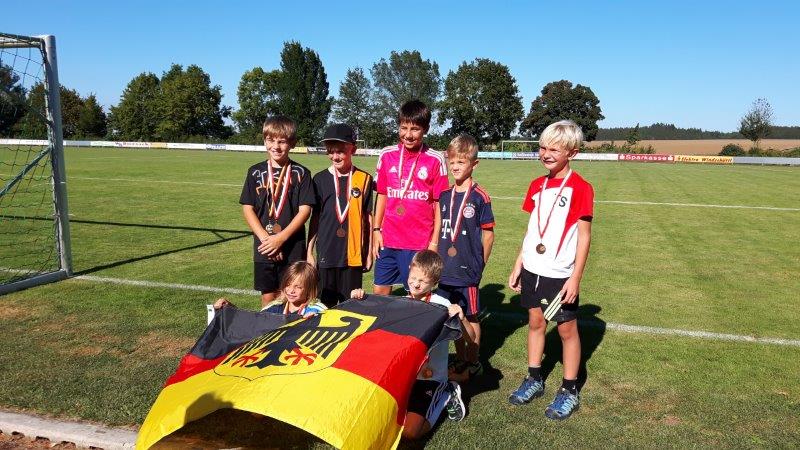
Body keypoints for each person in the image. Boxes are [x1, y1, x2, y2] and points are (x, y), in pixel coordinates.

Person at [507, 120, 594, 420]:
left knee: (567, 329)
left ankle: (569, 389)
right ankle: (534, 377)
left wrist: (575, 277)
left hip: (559, 274)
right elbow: (533, 229)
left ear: (572, 152)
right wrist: (519, 262)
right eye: (543, 148)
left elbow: (584, 237)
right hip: (533, 268)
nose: (546, 154)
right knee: (535, 322)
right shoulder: (536, 185)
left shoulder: (581, 188)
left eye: (554, 149)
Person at [351, 250, 472, 439]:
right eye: (413, 278)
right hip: (404, 374)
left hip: (430, 378)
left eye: (422, 281)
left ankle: (447, 392)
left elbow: (470, 338)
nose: (415, 284)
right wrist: (360, 299)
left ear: (435, 282)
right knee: (378, 418)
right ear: (409, 270)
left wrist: (462, 319)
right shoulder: (401, 303)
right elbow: (376, 315)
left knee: (409, 433)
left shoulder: (442, 306)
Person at [372, 100, 449, 295]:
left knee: (416, 294)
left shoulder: (435, 159)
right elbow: (382, 194)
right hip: (388, 240)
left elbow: (439, 204)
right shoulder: (386, 155)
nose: (408, 134)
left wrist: (434, 242)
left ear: (425, 129)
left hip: (419, 243)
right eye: (403, 127)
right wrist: (376, 229)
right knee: (380, 292)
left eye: (414, 129)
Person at [435, 134, 495, 381]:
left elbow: (488, 235)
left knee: (469, 316)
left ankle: (474, 361)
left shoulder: (480, 196)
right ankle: (460, 358)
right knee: (452, 316)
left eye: (461, 161)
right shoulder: (444, 195)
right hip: (444, 269)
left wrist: (480, 264)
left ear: (474, 164)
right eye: (452, 162)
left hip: (467, 270)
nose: (455, 166)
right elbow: (439, 230)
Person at [239, 116, 315, 308]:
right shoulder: (255, 172)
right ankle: (269, 328)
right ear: (264, 141)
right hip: (264, 245)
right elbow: (247, 208)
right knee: (268, 297)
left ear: (292, 143)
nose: (276, 146)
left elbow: (305, 210)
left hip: (292, 246)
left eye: (282, 141)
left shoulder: (301, 173)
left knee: (292, 296)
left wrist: (280, 239)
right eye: (270, 140)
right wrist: (267, 239)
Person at [307, 124, 374, 308]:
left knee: (351, 307)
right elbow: (315, 218)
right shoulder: (319, 179)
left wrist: (368, 253)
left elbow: (368, 218)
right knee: (323, 308)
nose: (335, 156)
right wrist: (309, 252)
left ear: (353, 149)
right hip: (326, 253)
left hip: (352, 256)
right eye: (330, 151)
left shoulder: (364, 179)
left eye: (341, 151)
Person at [214, 261, 326, 317]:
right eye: (288, 285)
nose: (291, 291)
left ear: (309, 289)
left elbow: (330, 323)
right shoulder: (276, 307)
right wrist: (230, 309)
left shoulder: (316, 309)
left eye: (298, 287)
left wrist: (316, 320)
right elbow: (254, 321)